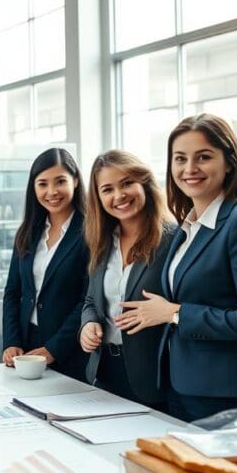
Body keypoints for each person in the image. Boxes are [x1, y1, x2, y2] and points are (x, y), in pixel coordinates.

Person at [120, 114, 237, 422]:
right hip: (177, 385)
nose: (189, 169)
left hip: (222, 392)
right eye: (180, 158)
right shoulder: (188, 226)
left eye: (204, 157)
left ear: (230, 162)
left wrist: (175, 313)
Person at [79, 150, 176, 407]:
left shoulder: (173, 239)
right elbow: (92, 300)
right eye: (107, 189)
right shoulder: (102, 242)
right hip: (104, 373)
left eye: (126, 184)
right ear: (98, 198)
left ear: (144, 183)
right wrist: (88, 324)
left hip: (154, 379)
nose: (118, 196)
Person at [2, 148, 89, 381]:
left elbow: (87, 300)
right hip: (27, 346)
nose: (51, 192)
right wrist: (12, 342)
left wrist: (54, 348)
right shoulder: (28, 232)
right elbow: (13, 292)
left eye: (60, 181)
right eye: (42, 184)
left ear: (76, 181)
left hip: (70, 349)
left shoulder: (91, 232)